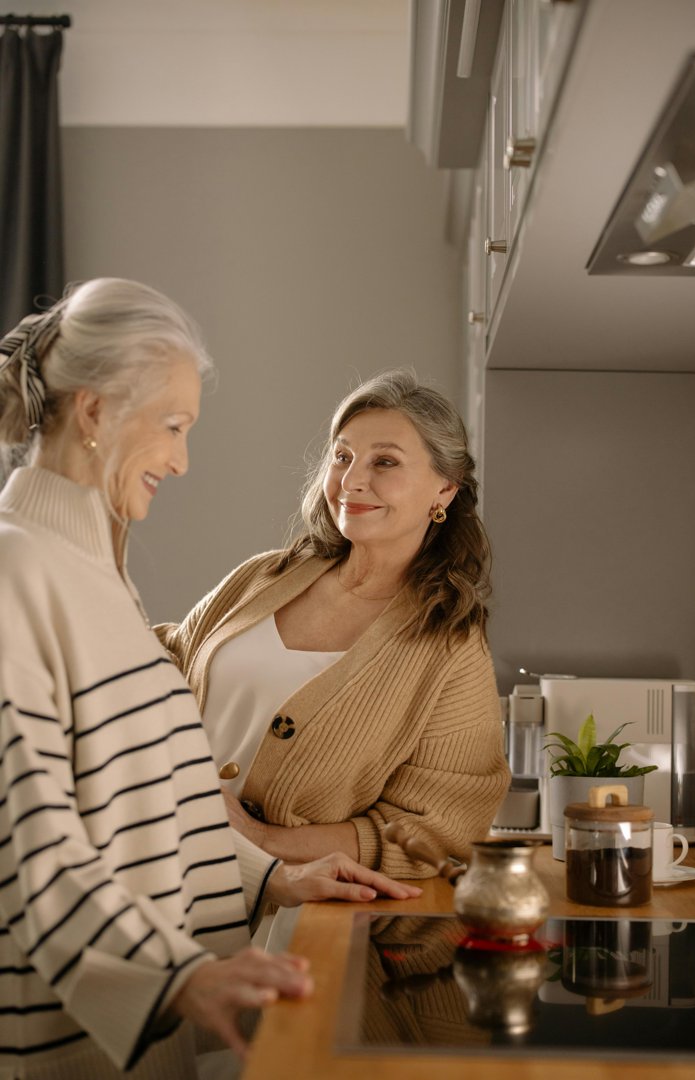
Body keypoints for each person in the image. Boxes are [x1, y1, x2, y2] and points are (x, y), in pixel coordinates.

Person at [0, 280, 420, 1080]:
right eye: (173, 427)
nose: (182, 460)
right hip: (58, 1048)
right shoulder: (15, 568)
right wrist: (180, 974)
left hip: (139, 1038)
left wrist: (276, 877)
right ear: (93, 413)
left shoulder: (100, 580)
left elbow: (150, 803)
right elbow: (26, 835)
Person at [158, 370, 510, 880]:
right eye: (342, 457)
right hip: (158, 878)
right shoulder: (263, 577)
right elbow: (167, 660)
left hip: (290, 920)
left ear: (445, 490)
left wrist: (261, 839)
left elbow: (437, 825)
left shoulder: (449, 648)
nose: (351, 481)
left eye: (384, 462)